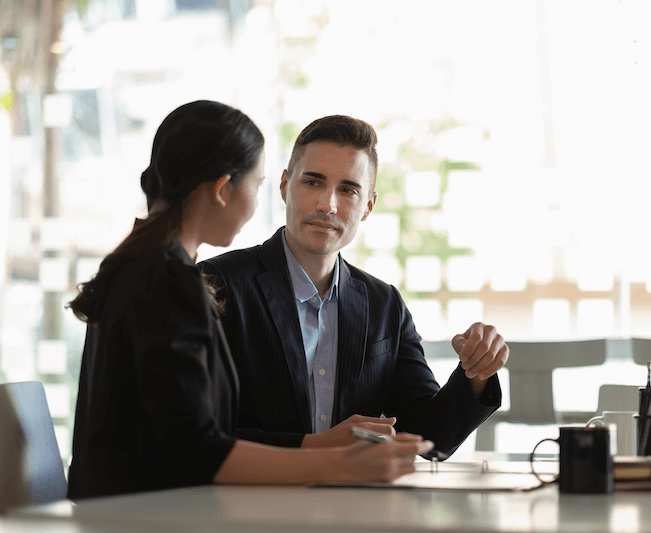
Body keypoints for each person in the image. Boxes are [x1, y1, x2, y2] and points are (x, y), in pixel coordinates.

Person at [66, 102, 431, 500]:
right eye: (256, 185)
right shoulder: (167, 280)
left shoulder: (155, 269)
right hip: (143, 520)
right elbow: (196, 450)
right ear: (224, 189)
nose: (258, 203)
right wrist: (339, 460)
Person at [198, 115, 508, 457]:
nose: (327, 205)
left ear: (368, 206)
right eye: (313, 182)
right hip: (243, 503)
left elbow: (427, 437)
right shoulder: (216, 285)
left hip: (353, 505)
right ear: (285, 185)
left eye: (348, 190)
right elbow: (197, 431)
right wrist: (313, 447)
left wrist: (476, 373)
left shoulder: (384, 304)